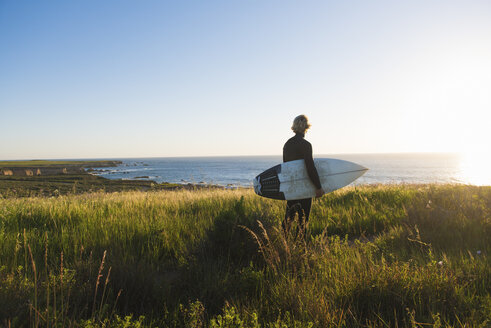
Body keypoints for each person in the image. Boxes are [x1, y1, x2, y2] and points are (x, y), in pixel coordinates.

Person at [282, 115, 325, 236]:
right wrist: (318, 187)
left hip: (292, 187)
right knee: (303, 221)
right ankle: (300, 249)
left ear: (294, 127)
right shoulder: (306, 145)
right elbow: (310, 167)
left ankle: (282, 245)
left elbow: (286, 168)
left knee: (288, 218)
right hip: (304, 187)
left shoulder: (287, 145)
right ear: (306, 127)